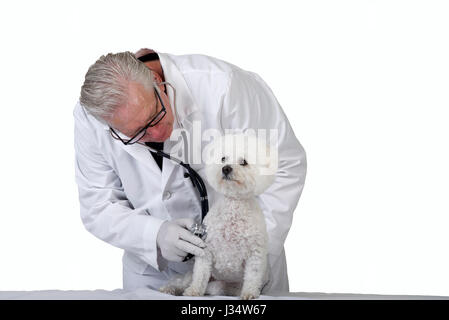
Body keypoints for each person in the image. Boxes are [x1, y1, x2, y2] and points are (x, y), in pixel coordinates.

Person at [74, 48, 307, 294]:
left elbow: (285, 165)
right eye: (136, 134)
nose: (155, 135)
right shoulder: (91, 119)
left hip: (245, 272)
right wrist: (154, 235)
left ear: (158, 83)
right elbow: (98, 205)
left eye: (155, 116)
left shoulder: (224, 86)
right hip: (155, 274)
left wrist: (252, 249)